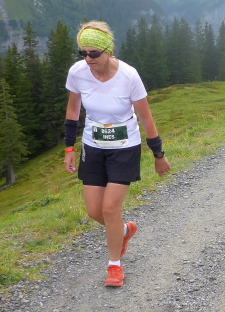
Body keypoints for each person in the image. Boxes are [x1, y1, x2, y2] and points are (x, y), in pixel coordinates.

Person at [63, 21, 171, 287]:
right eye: (82, 53)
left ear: (108, 51)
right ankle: (123, 230)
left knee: (110, 208)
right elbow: (73, 111)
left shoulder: (129, 76)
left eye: (93, 53)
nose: (88, 59)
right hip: (93, 147)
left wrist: (158, 154)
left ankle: (114, 267)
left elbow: (146, 118)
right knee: (94, 211)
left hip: (124, 147)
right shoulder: (78, 72)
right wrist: (69, 148)